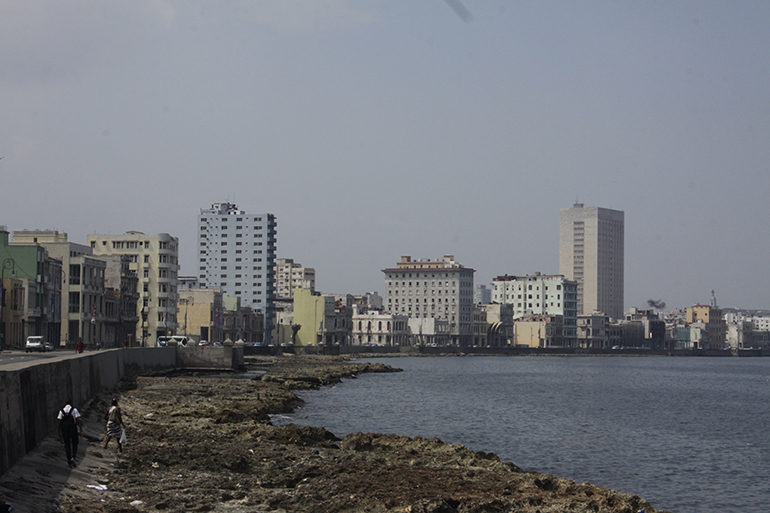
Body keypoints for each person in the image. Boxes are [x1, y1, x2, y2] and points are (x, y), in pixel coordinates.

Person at [57, 399, 83, 468]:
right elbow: (78, 420)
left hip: (65, 431)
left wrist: (59, 432)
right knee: (75, 443)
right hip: (73, 429)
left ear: (65, 403)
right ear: (71, 403)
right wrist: (81, 430)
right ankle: (73, 457)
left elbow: (59, 422)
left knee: (67, 445)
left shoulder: (61, 411)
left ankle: (69, 460)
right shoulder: (74, 410)